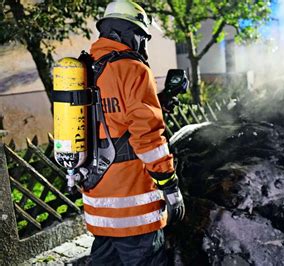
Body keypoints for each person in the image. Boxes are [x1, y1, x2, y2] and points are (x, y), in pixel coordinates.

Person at [84, 0, 185, 264]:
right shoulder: (133, 68)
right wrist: (169, 184)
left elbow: (111, 118)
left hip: (98, 201)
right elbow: (147, 137)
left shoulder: (86, 68)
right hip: (133, 205)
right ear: (130, 33)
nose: (143, 44)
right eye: (142, 36)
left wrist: (159, 102)